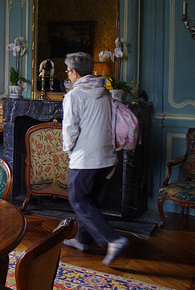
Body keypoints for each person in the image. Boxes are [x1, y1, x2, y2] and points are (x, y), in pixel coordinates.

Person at [61, 52, 129, 265]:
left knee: (78, 199)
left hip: (86, 158)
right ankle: (82, 240)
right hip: (107, 157)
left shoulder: (74, 95)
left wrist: (68, 151)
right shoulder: (104, 92)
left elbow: (70, 128)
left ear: (74, 72)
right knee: (91, 201)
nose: (67, 74)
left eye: (67, 70)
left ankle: (113, 239)